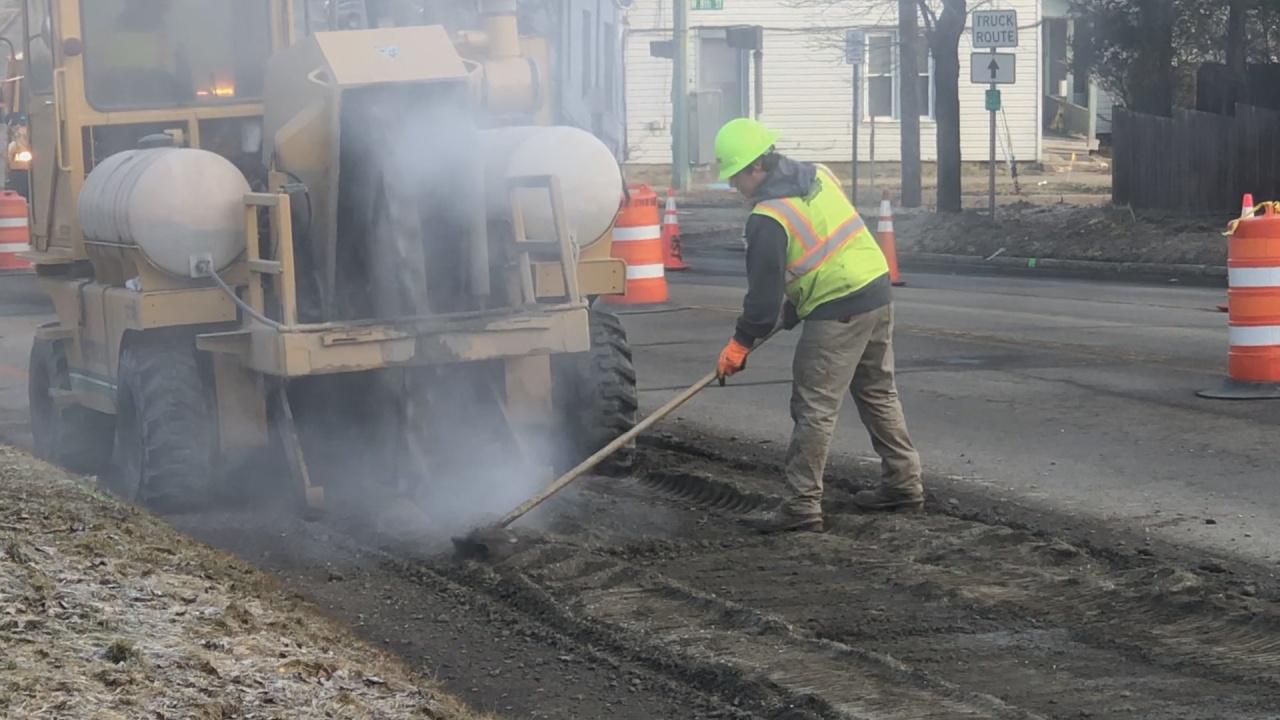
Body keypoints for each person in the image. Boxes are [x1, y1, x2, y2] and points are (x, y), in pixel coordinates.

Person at [712, 117, 924, 534]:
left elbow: (761, 302)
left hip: (839, 307)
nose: (733, 184)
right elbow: (822, 245)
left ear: (757, 166)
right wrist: (796, 305)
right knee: (878, 391)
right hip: (875, 289)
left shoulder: (766, 219)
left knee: (813, 407)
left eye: (735, 174)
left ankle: (801, 506)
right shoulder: (817, 175)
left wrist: (740, 344)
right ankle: (903, 482)